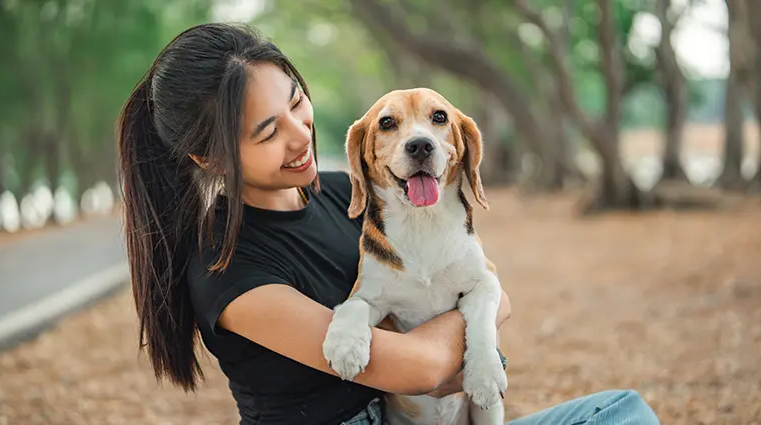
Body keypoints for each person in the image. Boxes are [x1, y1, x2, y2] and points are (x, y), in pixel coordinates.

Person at [116, 22, 662, 425]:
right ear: (210, 158)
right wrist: (476, 327)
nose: (301, 135)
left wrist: (477, 308)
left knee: (623, 411)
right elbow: (420, 366)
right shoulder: (225, 268)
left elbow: (491, 285)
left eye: (297, 102)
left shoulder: (347, 195)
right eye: (266, 132)